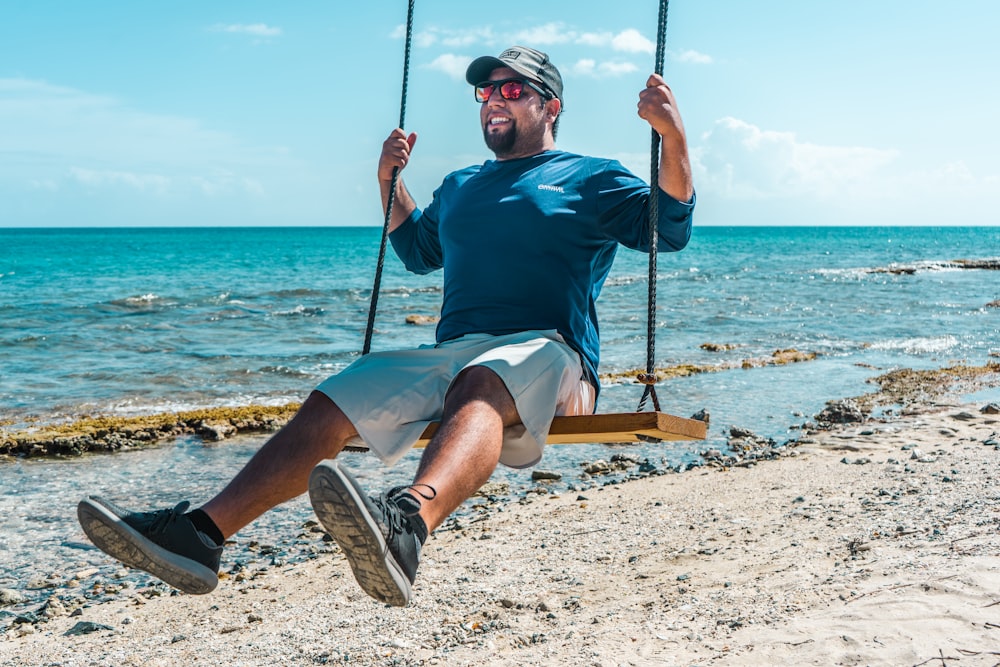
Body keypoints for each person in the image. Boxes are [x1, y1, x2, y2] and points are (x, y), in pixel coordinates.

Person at [77, 45, 695, 607]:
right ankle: (202, 534)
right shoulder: (461, 186)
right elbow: (416, 250)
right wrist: (388, 182)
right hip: (458, 356)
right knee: (338, 394)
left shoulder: (588, 176)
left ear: (549, 105)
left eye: (512, 90)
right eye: (485, 91)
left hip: (554, 360)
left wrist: (672, 136)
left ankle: (406, 525)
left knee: (482, 378)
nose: (494, 101)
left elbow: (669, 228)